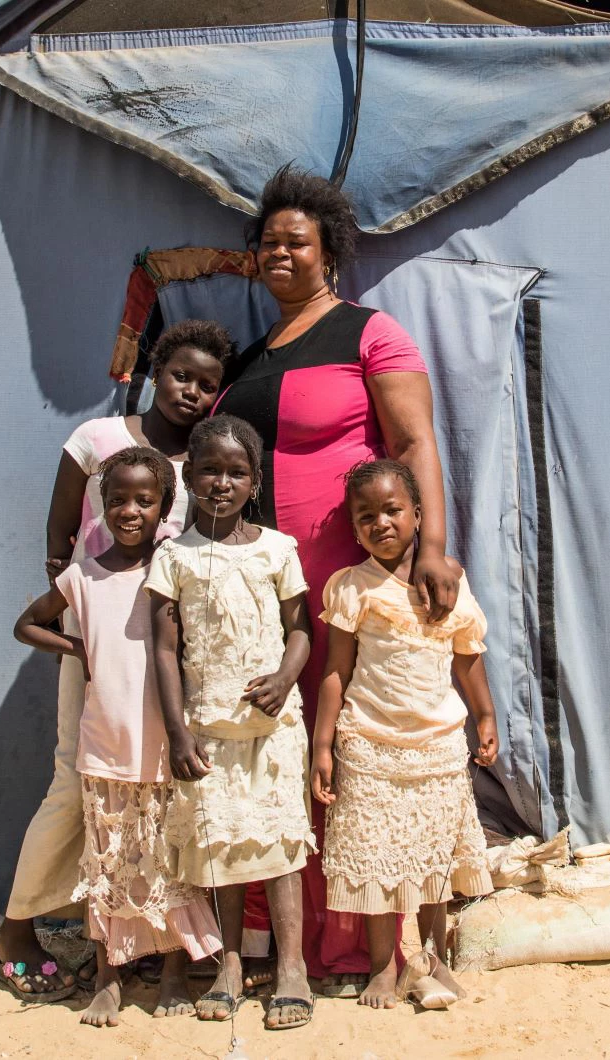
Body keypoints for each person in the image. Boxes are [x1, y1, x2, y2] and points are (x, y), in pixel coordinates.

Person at [215, 165, 461, 991]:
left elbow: (415, 441)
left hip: (342, 584)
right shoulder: (247, 357)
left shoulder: (370, 333)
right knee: (270, 747)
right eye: (267, 242)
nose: (279, 252)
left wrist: (431, 548)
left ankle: (357, 945)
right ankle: (269, 938)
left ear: (328, 255)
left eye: (297, 241)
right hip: (258, 591)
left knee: (344, 750)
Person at [0, 321, 231, 1001]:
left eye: (207, 385)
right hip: (96, 633)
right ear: (156, 369)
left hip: (164, 646)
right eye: (182, 375)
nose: (191, 392)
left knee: (158, 789)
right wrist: (75, 633)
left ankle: (150, 936)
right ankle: (14, 927)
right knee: (75, 781)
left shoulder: (205, 461)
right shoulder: (97, 441)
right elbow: (59, 535)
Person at [146, 415, 317, 1031]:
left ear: (256, 482)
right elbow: (164, 649)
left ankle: (292, 967)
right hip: (209, 726)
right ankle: (227, 968)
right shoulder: (174, 557)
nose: (222, 482)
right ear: (188, 476)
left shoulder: (278, 549)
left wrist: (284, 677)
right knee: (219, 845)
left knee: (278, 845)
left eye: (237, 472)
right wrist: (177, 731)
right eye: (210, 470)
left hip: (272, 730)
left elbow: (302, 630)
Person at [310, 460, 497, 1009]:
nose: (381, 523)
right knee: (375, 863)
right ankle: (382, 966)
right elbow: (335, 671)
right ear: (354, 526)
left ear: (418, 514)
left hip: (436, 747)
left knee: (434, 864)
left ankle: (432, 961)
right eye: (366, 516)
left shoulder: (447, 585)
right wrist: (322, 746)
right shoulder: (351, 588)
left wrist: (485, 716)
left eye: (393, 510)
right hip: (369, 744)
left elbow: (468, 656)